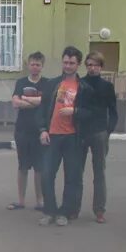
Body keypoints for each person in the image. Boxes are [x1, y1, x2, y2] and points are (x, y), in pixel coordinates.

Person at [37, 46, 93, 227]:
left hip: (72, 138)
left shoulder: (84, 87)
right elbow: (42, 109)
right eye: (65, 62)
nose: (68, 66)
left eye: (72, 63)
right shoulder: (52, 84)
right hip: (52, 135)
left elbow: (91, 113)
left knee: (72, 177)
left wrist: (74, 111)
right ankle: (49, 211)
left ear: (78, 65)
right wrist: (42, 129)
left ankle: (64, 212)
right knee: (46, 175)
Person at [77, 51, 118, 223]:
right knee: (76, 172)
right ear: (86, 66)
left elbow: (113, 112)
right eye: (89, 65)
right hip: (81, 133)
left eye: (96, 65)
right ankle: (73, 207)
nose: (92, 68)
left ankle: (99, 210)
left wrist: (107, 132)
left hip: (99, 133)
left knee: (99, 173)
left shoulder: (107, 87)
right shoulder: (80, 84)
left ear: (101, 67)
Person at [8, 52, 47, 211]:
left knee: (39, 168)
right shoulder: (21, 82)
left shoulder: (47, 83)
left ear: (42, 66)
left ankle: (40, 201)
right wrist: (36, 102)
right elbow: (15, 103)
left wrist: (26, 99)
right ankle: (21, 200)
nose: (34, 67)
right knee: (22, 166)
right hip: (22, 130)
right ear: (28, 65)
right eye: (32, 64)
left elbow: (45, 102)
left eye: (38, 64)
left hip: (40, 130)